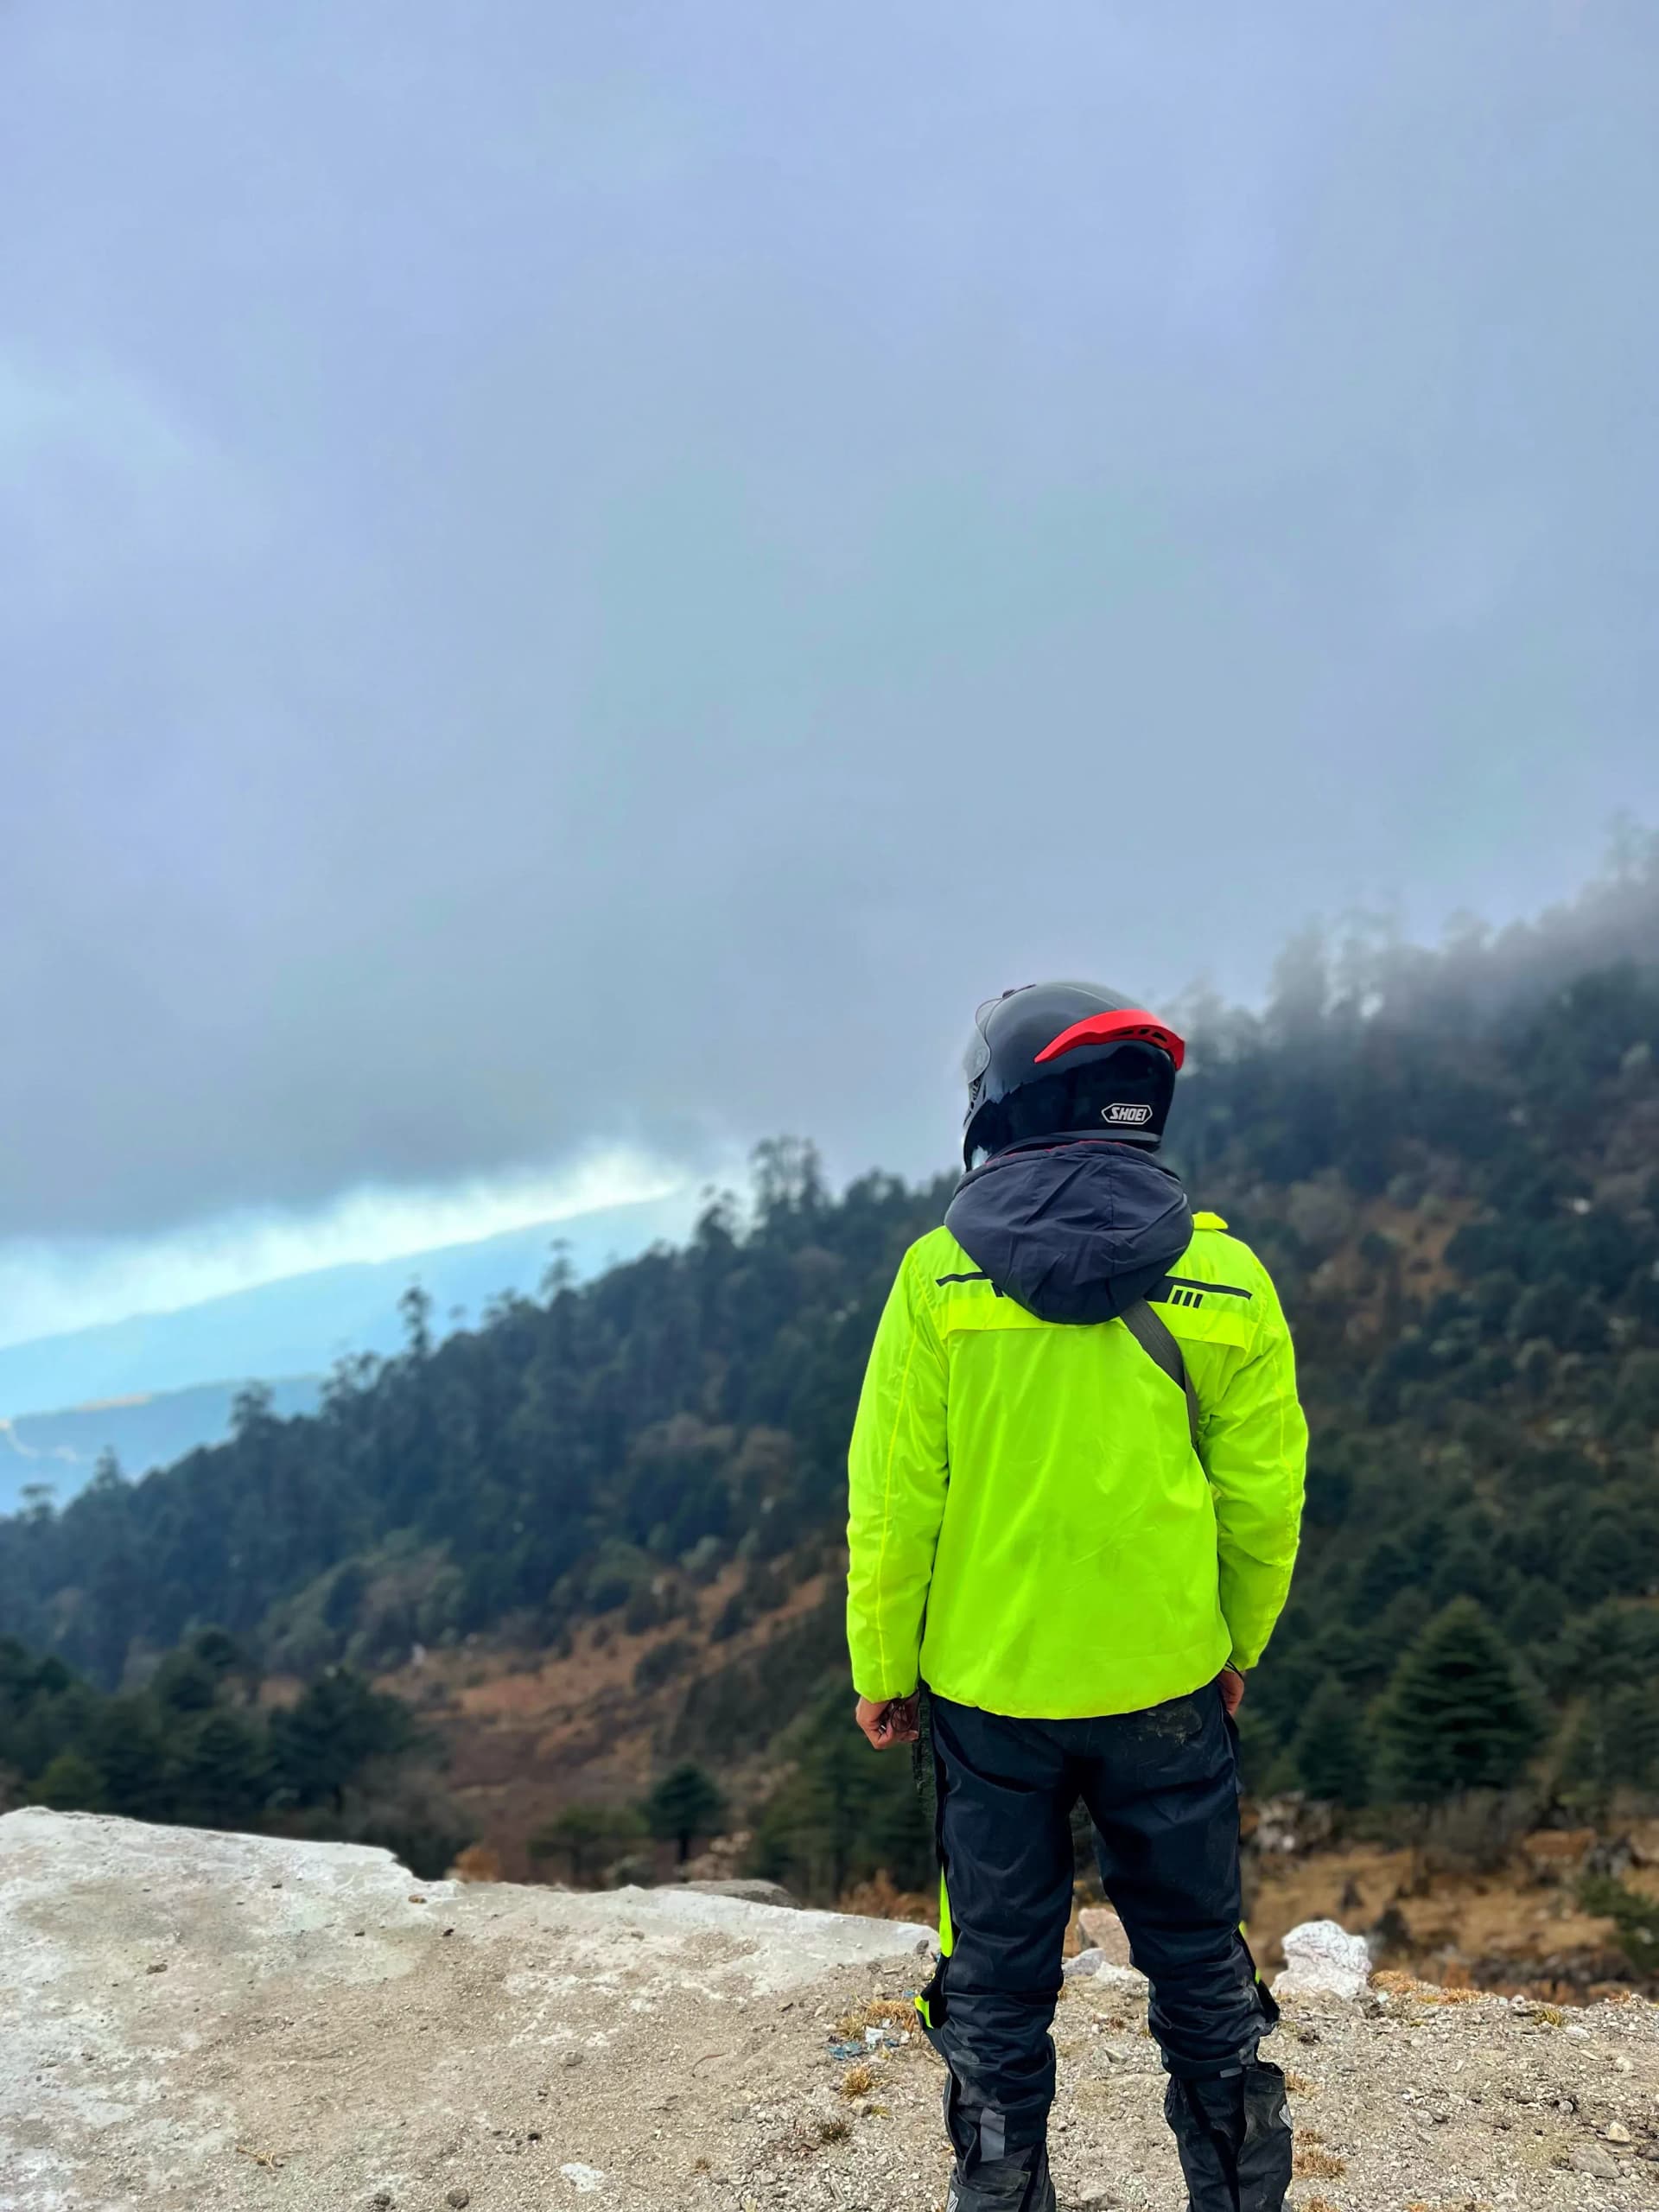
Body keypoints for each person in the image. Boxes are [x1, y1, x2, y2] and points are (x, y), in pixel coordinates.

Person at [846, 982, 1307, 2212]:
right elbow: (1262, 1503)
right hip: (1168, 1686)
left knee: (994, 1985)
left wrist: (884, 1667)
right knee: (1202, 1970)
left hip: (990, 1697)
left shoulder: (937, 1283)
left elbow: (896, 1506)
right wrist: (1236, 1644)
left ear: (1001, 1105)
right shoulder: (1228, 1281)